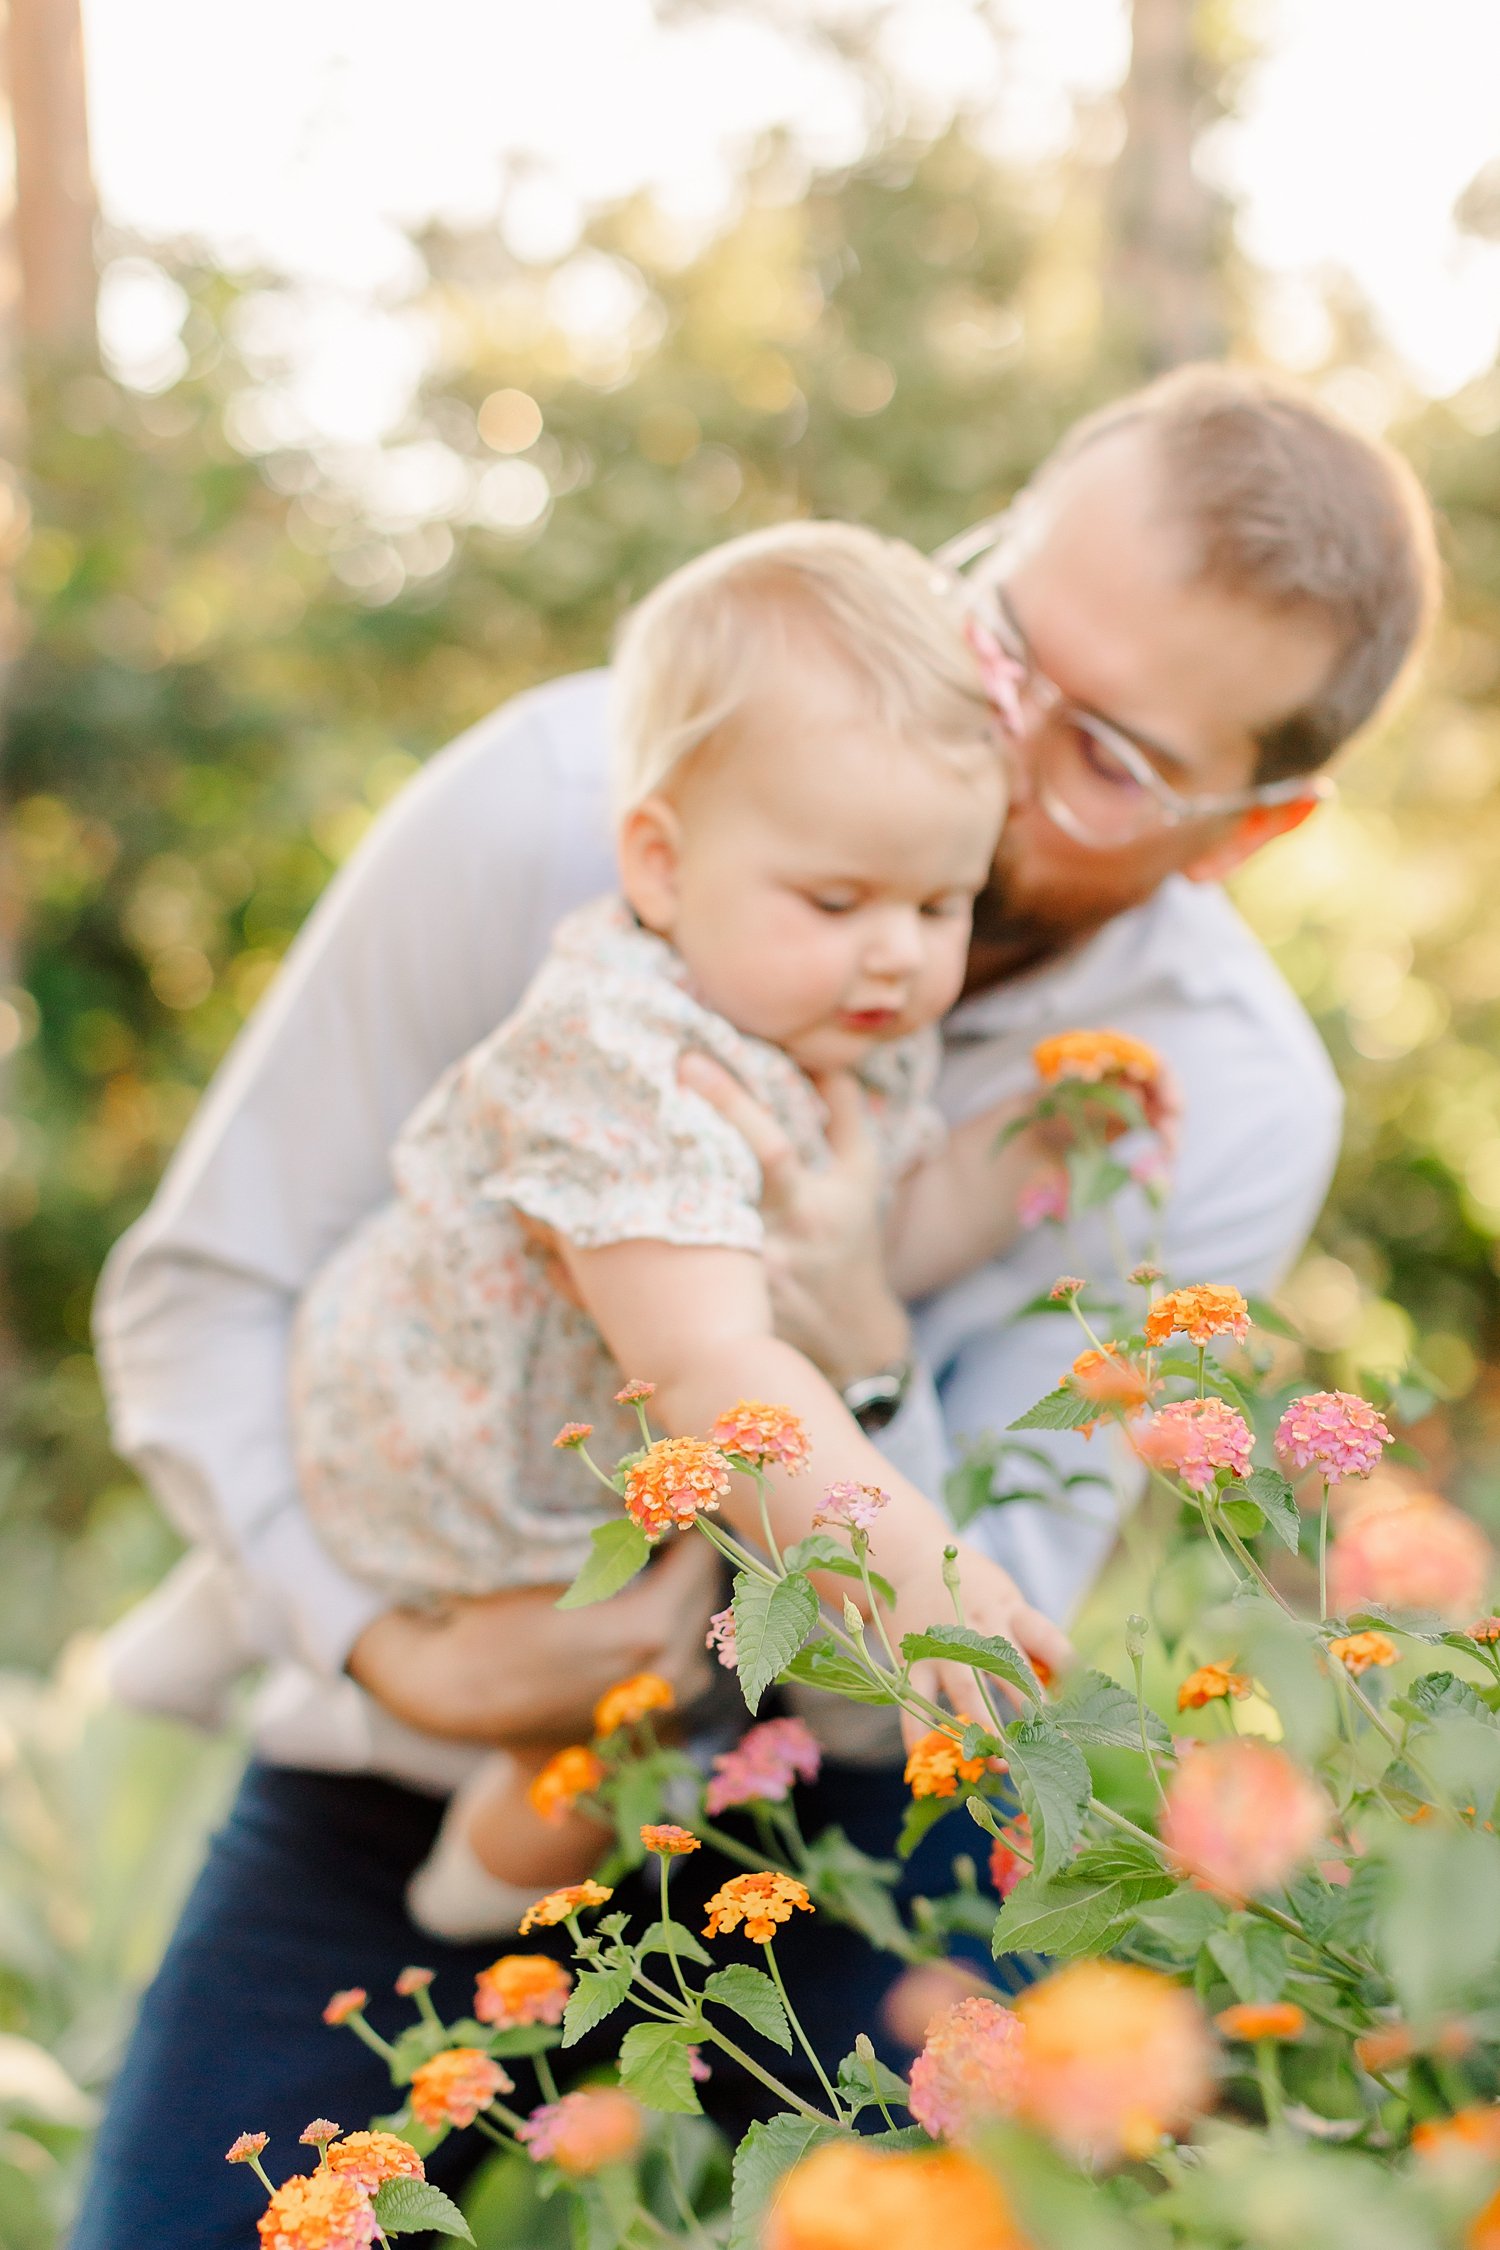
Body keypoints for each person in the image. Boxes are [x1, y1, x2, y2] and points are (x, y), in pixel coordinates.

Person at [78, 365, 1438, 2248]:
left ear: (1249, 831)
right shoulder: (570, 800)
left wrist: (869, 1331)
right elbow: (203, 1292)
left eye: (1110, 754)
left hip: (847, 1814)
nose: (999, 719)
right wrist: (395, 1648)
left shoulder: (1225, 1091)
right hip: (405, 1741)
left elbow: (985, 1623)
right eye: (1003, 633)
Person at [286, 518, 1070, 1938]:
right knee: (622, 1701)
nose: (898, 946)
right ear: (658, 864)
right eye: (838, 898)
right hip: (458, 1447)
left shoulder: (829, 1006)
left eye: (943, 900)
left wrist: (1037, 1154)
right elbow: (711, 1372)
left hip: (609, 1416)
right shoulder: (625, 1062)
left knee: (694, 1637)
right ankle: (481, 1873)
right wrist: (913, 1561)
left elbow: (887, 1222)